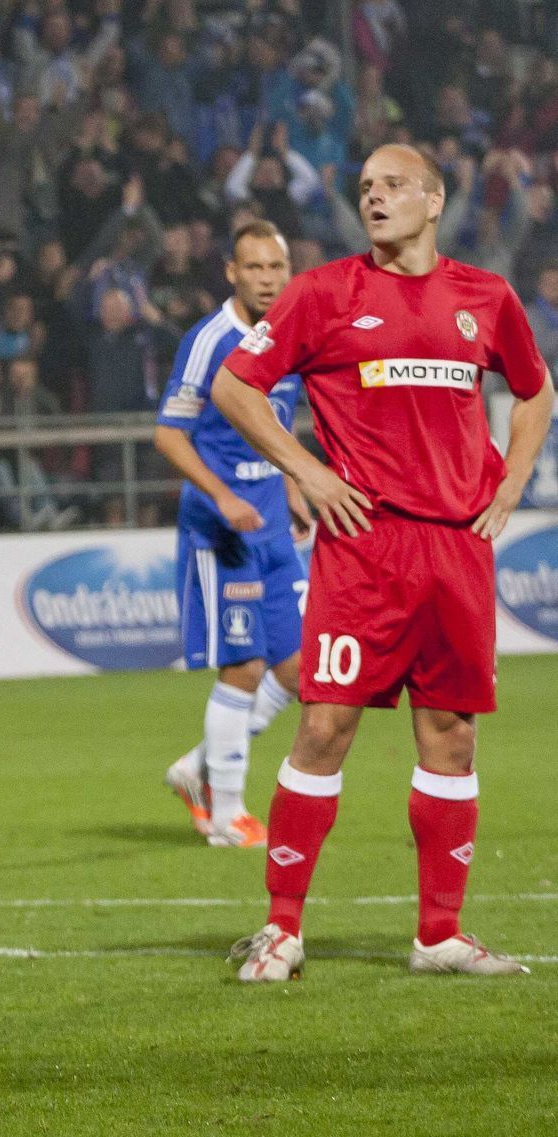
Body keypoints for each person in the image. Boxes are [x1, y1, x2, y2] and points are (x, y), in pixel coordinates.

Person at [215, 145, 554, 982]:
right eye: (365, 187)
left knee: (452, 737)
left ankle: (439, 934)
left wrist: (512, 479)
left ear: (435, 200)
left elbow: (536, 390)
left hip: (456, 547)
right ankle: (282, 929)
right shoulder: (324, 293)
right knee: (324, 727)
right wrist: (307, 469)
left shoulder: (487, 295)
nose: (375, 197)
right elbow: (235, 386)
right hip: (364, 549)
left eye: (393, 185)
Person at [152, 220, 308, 850]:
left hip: (274, 524)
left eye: (277, 267)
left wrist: (292, 486)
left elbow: (280, 421)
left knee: (300, 671)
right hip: (222, 531)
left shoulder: (291, 333)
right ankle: (228, 816)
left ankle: (199, 770)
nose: (267, 279)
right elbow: (168, 432)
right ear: (232, 272)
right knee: (242, 667)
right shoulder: (210, 340)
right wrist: (222, 495)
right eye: (255, 268)